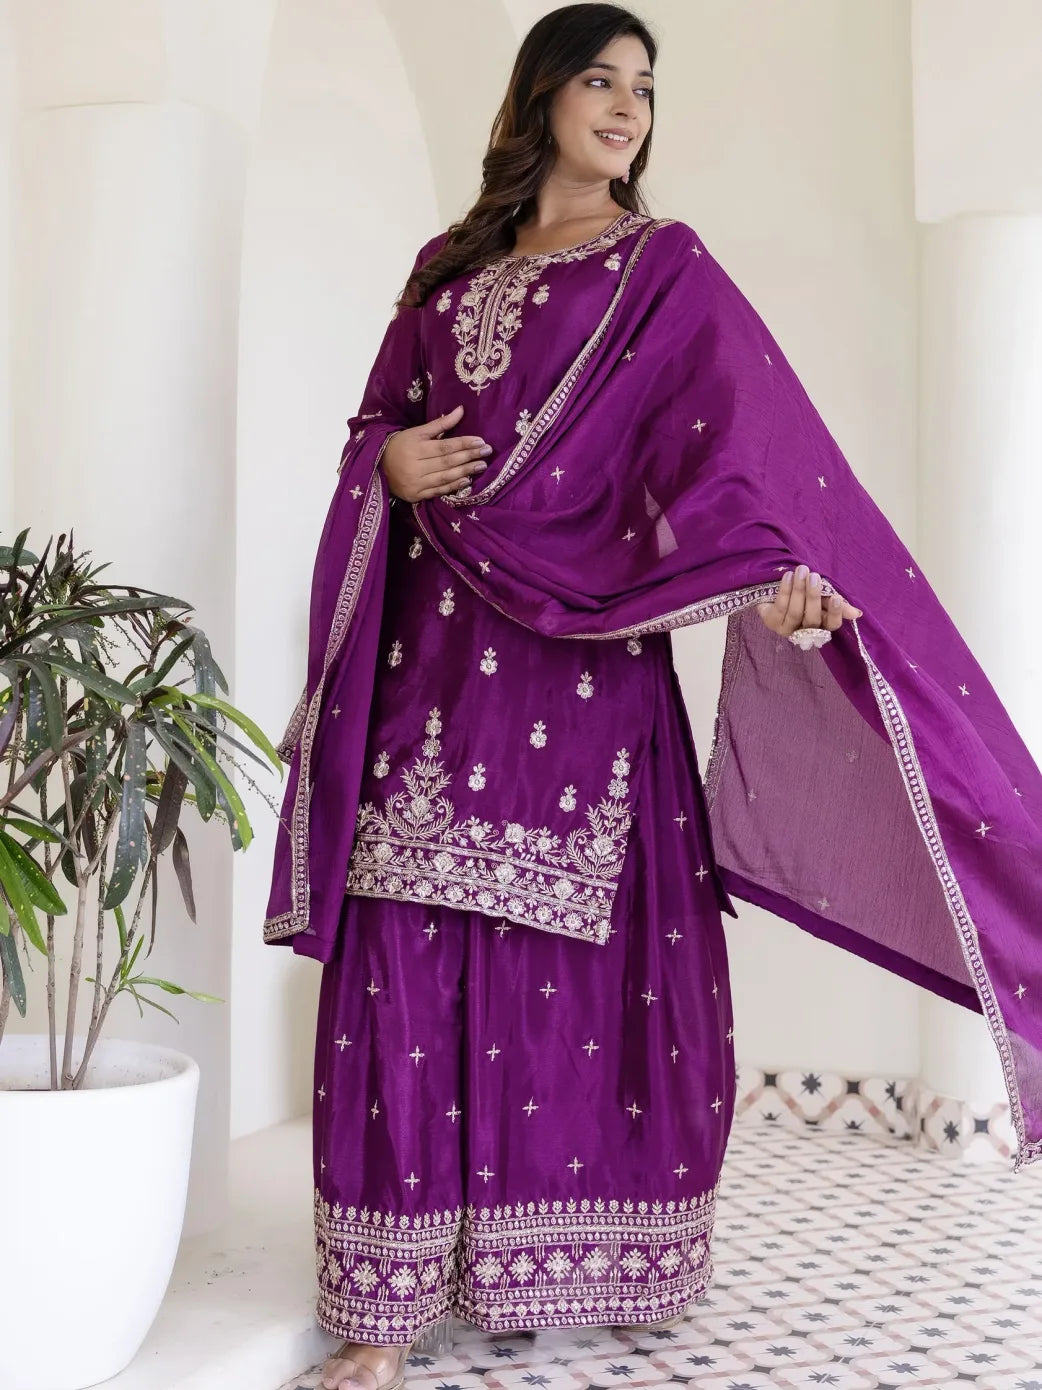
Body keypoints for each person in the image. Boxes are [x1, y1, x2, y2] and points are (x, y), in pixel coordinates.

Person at [263, 6, 1042, 1389]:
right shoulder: (444, 272)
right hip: (428, 663)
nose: (625, 107)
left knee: (559, 959)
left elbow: (736, 459)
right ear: (540, 99)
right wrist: (384, 469)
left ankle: (563, 1254)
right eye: (598, 80)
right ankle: (384, 1309)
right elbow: (369, 429)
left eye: (643, 88)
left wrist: (782, 580)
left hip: (580, 680)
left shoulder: (661, 269)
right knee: (400, 946)